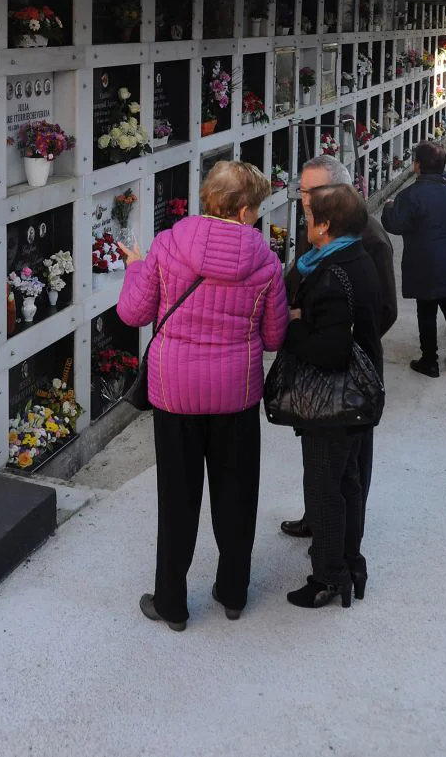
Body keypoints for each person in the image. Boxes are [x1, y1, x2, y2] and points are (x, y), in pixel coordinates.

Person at [117, 160, 288, 630]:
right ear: (245, 209)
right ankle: (233, 592)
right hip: (236, 395)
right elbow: (274, 338)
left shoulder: (168, 245)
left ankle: (171, 603)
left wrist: (135, 270)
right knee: (236, 497)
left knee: (177, 499)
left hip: (175, 394)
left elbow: (133, 313)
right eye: (257, 206)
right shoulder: (266, 261)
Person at [279, 154, 396, 545]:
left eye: (310, 191)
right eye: (302, 191)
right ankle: (317, 518)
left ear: (338, 191)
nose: (304, 200)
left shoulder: (369, 239)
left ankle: (345, 545)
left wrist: (336, 342)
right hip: (319, 360)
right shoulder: (320, 230)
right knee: (319, 458)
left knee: (350, 465)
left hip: (349, 369)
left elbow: (383, 311)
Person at [284, 183, 381, 608]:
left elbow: (329, 351)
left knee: (325, 486)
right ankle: (350, 562)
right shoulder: (357, 257)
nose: (306, 224)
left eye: (310, 218)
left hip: (332, 403)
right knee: (348, 482)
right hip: (357, 398)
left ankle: (327, 576)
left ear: (325, 226)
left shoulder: (328, 274)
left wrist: (293, 324)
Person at [381, 141, 446, 376]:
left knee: (426, 309)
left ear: (417, 165)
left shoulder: (411, 195)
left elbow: (396, 224)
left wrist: (388, 208)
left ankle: (429, 360)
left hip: (426, 261)